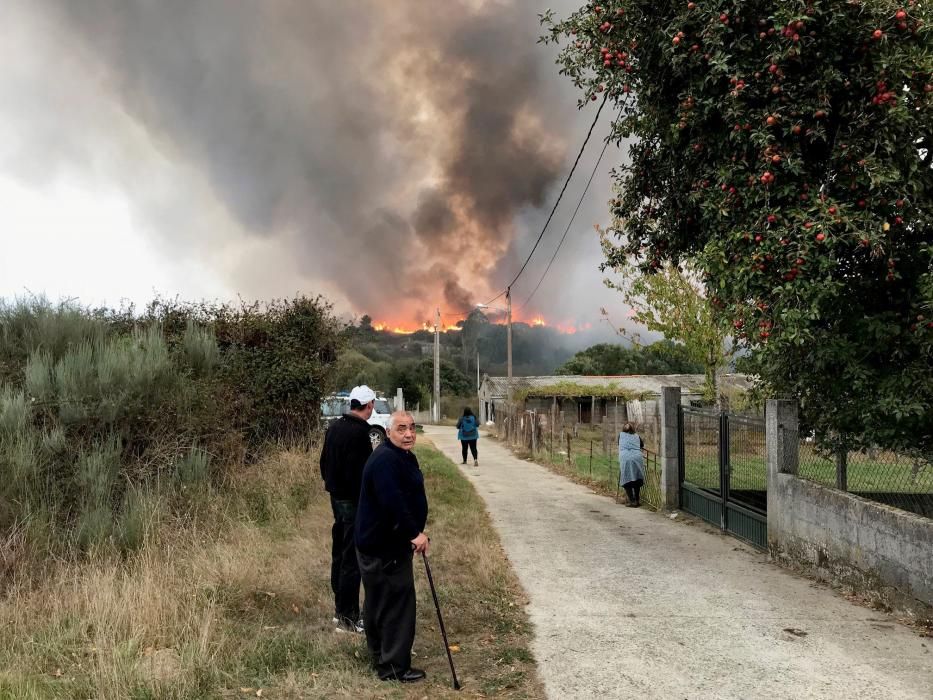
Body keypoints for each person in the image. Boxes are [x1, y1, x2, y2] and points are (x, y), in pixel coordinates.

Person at [355, 411, 429, 683]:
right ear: (388, 433)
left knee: (378, 599)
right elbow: (392, 502)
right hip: (385, 546)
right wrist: (414, 533)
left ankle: (379, 654)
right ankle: (393, 666)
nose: (409, 434)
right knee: (397, 603)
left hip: (377, 543)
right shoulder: (386, 460)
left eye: (411, 428)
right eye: (401, 429)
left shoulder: (400, 455)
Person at [319, 385, 375, 632]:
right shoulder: (360, 433)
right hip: (353, 501)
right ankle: (349, 616)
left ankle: (339, 610)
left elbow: (323, 463)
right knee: (352, 559)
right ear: (370, 405)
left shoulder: (334, 427)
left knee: (340, 553)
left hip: (335, 498)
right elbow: (361, 473)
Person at [618, 422, 646, 507]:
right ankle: (637, 500)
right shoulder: (637, 436)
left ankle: (632, 500)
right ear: (633, 429)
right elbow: (642, 445)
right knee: (637, 478)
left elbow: (619, 444)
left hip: (625, 458)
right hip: (637, 458)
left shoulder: (621, 435)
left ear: (623, 429)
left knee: (626, 479)